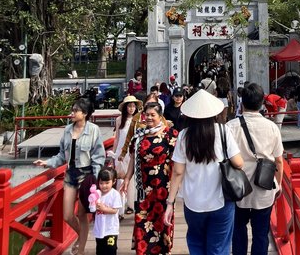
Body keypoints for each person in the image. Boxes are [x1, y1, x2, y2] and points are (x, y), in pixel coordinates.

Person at [164, 89, 244, 255]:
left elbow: (178, 172)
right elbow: (238, 163)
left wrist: (170, 203)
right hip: (221, 199)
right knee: (219, 247)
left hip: (193, 202)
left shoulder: (184, 136)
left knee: (196, 243)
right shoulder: (223, 131)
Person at [33, 98, 105, 255]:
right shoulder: (67, 130)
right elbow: (61, 155)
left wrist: (95, 179)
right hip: (70, 174)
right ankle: (81, 235)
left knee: (81, 214)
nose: (71, 113)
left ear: (84, 114)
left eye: (75, 111)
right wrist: (47, 163)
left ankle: (81, 250)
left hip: (87, 174)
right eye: (72, 110)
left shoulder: (93, 130)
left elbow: (99, 156)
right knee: (67, 215)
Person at [226, 83, 284, 255]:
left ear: (242, 103)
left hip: (238, 186)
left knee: (238, 229)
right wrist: (279, 185)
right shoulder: (272, 127)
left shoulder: (230, 126)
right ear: (262, 103)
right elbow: (279, 161)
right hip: (264, 185)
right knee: (261, 233)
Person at [120, 102, 178, 255]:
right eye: (147, 115)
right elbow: (133, 159)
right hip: (143, 188)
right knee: (142, 222)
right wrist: (127, 178)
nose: (150, 118)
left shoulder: (170, 134)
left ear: (160, 116)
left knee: (163, 223)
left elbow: (178, 161)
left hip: (163, 187)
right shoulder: (139, 135)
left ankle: (164, 250)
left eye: (153, 115)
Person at [108, 95, 143, 219]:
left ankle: (131, 205)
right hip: (121, 152)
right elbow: (117, 137)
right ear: (125, 107)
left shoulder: (139, 120)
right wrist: (114, 153)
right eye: (129, 106)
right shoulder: (119, 120)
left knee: (132, 179)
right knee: (120, 179)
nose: (131, 108)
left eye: (133, 106)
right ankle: (119, 208)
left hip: (133, 151)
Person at [93, 167, 123, 255]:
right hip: (99, 229)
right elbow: (92, 208)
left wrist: (104, 209)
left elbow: (115, 210)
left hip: (111, 229)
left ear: (113, 181)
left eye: (107, 183)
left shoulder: (115, 194)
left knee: (110, 250)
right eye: (101, 183)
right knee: (100, 250)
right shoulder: (97, 194)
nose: (104, 185)